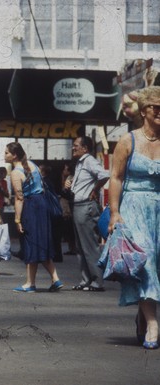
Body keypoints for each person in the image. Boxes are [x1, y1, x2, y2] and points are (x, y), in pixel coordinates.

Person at [107, 86, 160, 349]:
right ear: (144, 110)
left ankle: (143, 315)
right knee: (146, 259)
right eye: (156, 107)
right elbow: (115, 178)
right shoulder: (128, 141)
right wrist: (114, 213)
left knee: (157, 264)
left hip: (159, 208)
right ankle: (153, 323)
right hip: (133, 207)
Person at [5, 143, 63, 293]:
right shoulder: (33, 165)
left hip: (30, 207)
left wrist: (17, 219)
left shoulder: (15, 173)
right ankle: (55, 279)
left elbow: (19, 198)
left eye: (6, 153)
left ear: (14, 155)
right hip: (42, 205)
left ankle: (30, 283)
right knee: (41, 241)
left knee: (30, 241)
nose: (4, 155)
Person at [65, 136, 109, 292]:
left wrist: (95, 190)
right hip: (78, 206)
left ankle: (97, 281)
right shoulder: (80, 163)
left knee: (89, 245)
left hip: (85, 207)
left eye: (76, 145)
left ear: (85, 148)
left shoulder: (89, 160)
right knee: (80, 246)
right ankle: (86, 280)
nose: (73, 148)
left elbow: (104, 175)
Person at [59, 162, 79, 256]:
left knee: (70, 229)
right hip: (67, 206)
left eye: (65, 169)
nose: (63, 171)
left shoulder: (70, 178)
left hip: (69, 207)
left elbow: (65, 192)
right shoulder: (67, 178)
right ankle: (72, 248)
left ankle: (73, 248)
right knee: (69, 229)